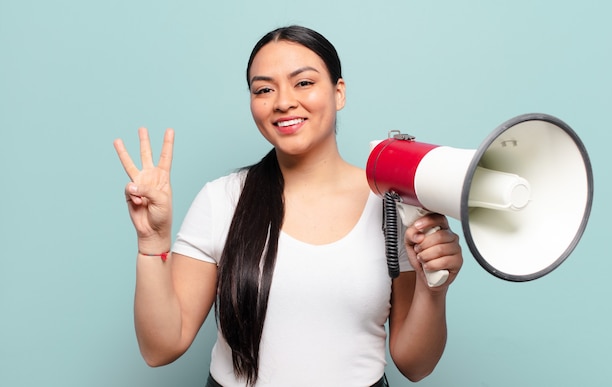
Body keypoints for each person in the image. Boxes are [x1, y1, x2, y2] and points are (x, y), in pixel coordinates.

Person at [114, 25, 463, 387]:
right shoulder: (222, 200)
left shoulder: (391, 205)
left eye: (303, 83)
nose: (283, 102)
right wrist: (152, 243)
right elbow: (160, 348)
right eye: (264, 89)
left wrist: (432, 289)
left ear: (338, 92)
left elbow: (414, 364)